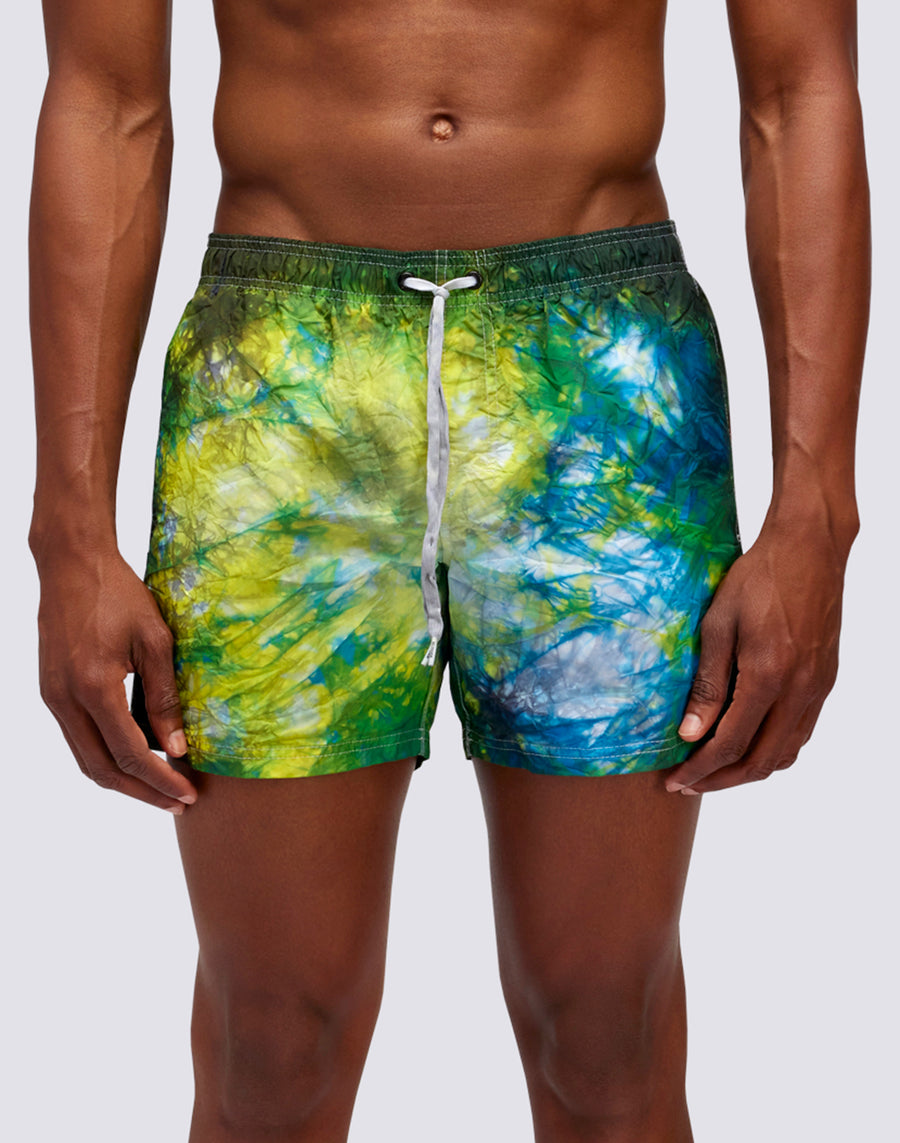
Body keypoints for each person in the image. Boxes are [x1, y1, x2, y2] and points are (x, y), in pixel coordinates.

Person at [28, 0, 869, 1140]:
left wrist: (817, 508)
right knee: (273, 1044)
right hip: (283, 391)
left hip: (598, 390)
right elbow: (106, 102)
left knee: (602, 1034)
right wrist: (70, 527)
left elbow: (798, 90)